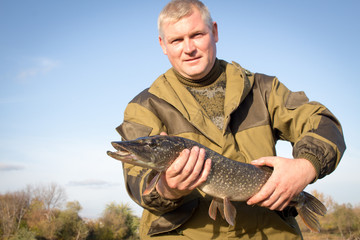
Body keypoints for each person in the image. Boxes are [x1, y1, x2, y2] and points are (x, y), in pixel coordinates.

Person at [115, 0, 346, 239]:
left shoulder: (263, 89)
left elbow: (322, 121)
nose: (188, 48)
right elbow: (138, 184)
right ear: (163, 44)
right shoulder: (144, 106)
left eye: (197, 35)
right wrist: (167, 188)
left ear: (214, 32)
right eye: (176, 40)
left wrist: (306, 166)